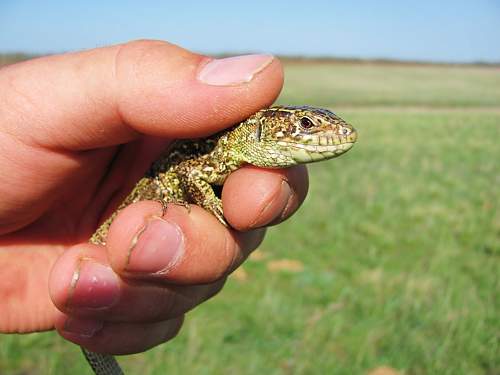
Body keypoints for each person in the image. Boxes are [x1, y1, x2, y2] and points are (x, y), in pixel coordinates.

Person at [0, 40, 309, 354]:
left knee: (113, 293)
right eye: (305, 125)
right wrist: (215, 206)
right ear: (264, 129)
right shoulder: (226, 146)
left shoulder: (235, 152)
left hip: (90, 252)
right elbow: (191, 173)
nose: (316, 132)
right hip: (123, 217)